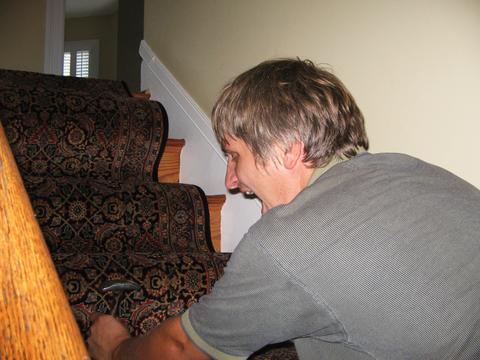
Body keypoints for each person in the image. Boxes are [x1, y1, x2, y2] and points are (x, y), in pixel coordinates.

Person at [88, 59, 480, 359]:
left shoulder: (289, 246)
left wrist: (116, 345)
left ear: (289, 151)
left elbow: (180, 350)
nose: (230, 181)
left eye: (234, 155)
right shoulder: (401, 165)